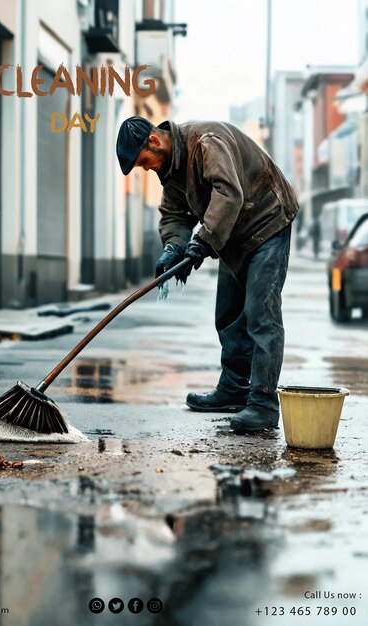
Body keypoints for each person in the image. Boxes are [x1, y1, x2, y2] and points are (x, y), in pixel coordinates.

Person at [116, 116, 299, 433]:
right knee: (228, 313)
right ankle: (233, 390)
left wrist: (201, 242)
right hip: (232, 236)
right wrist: (174, 248)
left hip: (268, 222)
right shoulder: (171, 170)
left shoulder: (205, 142)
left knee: (261, 315)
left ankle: (263, 405)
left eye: (143, 162)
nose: (146, 169)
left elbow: (229, 192)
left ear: (155, 142)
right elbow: (174, 215)